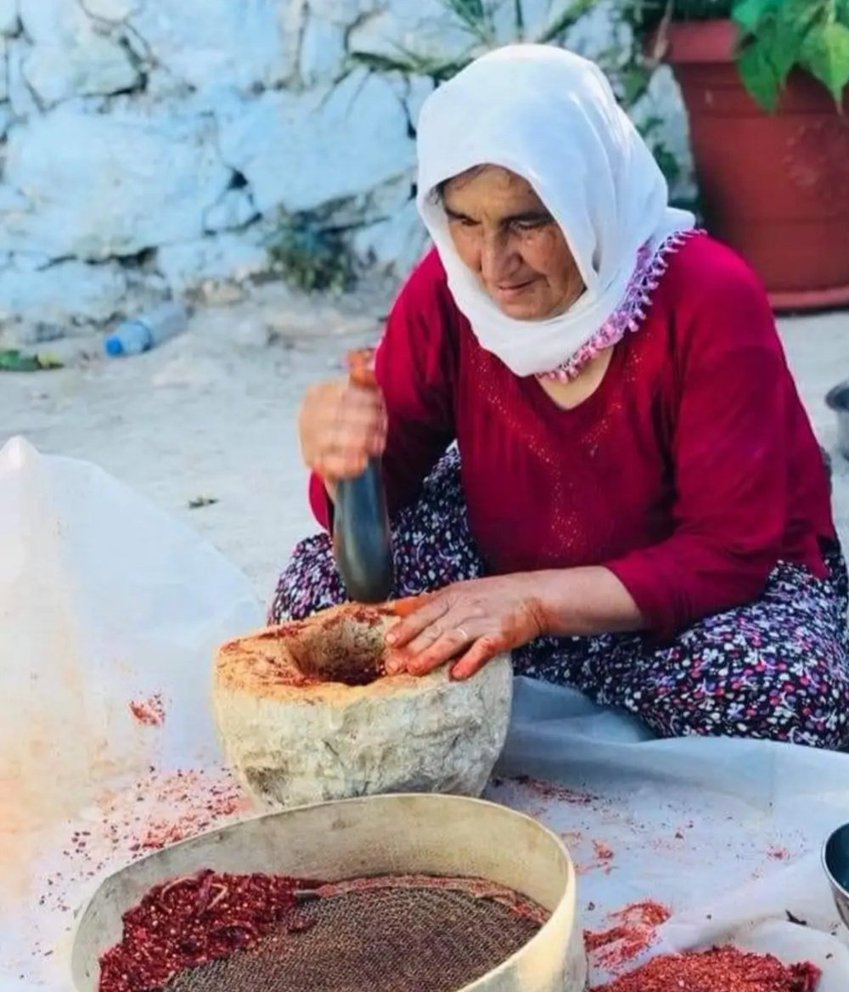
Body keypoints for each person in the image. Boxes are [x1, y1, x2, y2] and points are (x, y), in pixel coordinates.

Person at [271, 44, 849, 749]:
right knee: (318, 596)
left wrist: (533, 604)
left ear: (589, 199)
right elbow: (376, 513)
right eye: (464, 221)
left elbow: (726, 552)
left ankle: (548, 667)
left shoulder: (706, 297)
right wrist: (345, 465)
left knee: (784, 690)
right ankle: (558, 672)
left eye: (526, 222)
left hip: (696, 592)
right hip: (512, 559)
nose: (492, 265)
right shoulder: (451, 288)